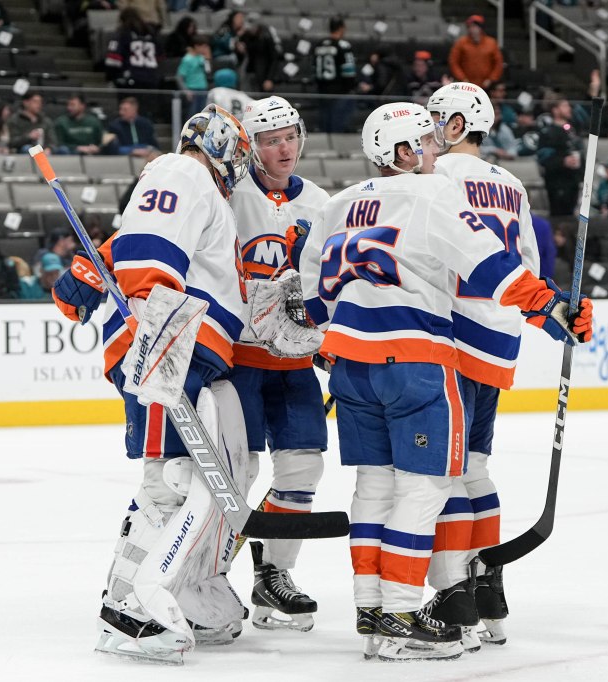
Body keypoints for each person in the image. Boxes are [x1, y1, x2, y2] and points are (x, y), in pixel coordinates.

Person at [298, 102, 593, 662]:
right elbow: (494, 267)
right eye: (426, 144)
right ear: (403, 152)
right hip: (416, 362)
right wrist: (554, 307)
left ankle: (372, 611)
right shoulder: (434, 196)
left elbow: (312, 304)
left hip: (350, 367)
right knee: (426, 487)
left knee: (373, 487)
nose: (436, 153)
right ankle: (405, 613)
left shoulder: (336, 204)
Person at [52, 105, 254, 665]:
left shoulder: (198, 197)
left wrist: (86, 278)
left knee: (187, 479)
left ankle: (171, 592)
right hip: (169, 343)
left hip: (180, 345)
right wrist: (154, 329)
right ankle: (128, 613)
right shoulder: (182, 172)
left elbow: (117, 255)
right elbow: (147, 256)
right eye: (237, 152)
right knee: (169, 479)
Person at [424, 81, 542, 651]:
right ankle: (489, 585)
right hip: (500, 336)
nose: (427, 131)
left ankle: (454, 596)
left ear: (455, 125)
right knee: (475, 465)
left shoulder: (436, 177)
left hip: (450, 333)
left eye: (435, 120)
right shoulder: (513, 184)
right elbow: (529, 269)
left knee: (444, 471)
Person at [228, 96, 330, 632]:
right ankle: (211, 573)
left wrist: (333, 336)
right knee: (233, 474)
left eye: (290, 135)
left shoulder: (321, 202)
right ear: (252, 147)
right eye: (270, 140)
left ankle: (274, 575)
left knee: (303, 468)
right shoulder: (229, 195)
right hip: (238, 360)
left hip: (295, 364)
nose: (283, 147)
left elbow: (336, 283)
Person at [536, 96, 584, 218]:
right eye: (564, 106)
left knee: (571, 215)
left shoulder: (572, 130)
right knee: (558, 216)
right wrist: (563, 161)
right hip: (556, 182)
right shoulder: (547, 132)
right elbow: (543, 158)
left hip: (573, 180)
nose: (569, 109)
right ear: (555, 110)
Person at [313, 16, 356, 133]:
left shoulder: (319, 44)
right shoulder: (343, 45)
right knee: (337, 124)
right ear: (342, 28)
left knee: (324, 122)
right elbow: (349, 70)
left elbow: (314, 67)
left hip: (322, 90)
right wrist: (351, 87)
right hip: (340, 91)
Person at [104, 8, 161, 95]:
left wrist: (111, 79)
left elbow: (113, 61)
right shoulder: (151, 35)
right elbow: (160, 57)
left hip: (130, 81)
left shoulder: (122, 34)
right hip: (151, 80)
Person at [448, 15, 503, 90]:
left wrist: (491, 79)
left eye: (474, 26)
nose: (471, 29)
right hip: (465, 86)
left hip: (487, 86)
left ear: (481, 28)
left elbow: (498, 63)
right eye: (469, 27)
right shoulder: (461, 43)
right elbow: (453, 62)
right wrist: (463, 79)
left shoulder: (491, 43)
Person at [177, 34, 212, 117]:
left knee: (202, 115)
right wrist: (186, 91)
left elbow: (208, 71)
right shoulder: (187, 59)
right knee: (192, 115)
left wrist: (207, 59)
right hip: (192, 89)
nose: (205, 49)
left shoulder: (201, 58)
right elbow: (179, 77)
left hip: (203, 89)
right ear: (196, 46)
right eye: (203, 47)